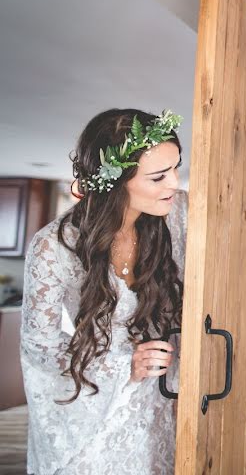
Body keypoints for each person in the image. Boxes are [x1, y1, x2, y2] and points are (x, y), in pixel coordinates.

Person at [20, 108, 188, 474]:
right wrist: (124, 366)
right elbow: (39, 348)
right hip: (97, 406)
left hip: (158, 403)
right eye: (159, 176)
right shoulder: (54, 247)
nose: (174, 184)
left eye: (176, 168)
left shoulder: (176, 215)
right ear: (115, 182)